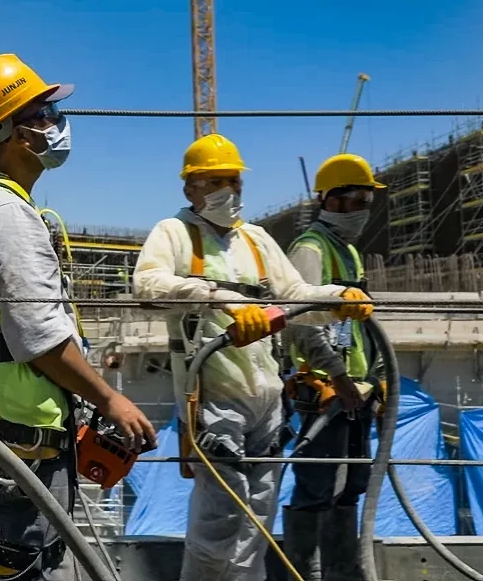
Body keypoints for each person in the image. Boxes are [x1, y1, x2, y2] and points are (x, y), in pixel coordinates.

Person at [0, 53, 158, 580]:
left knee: (30, 559)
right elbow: (38, 337)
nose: (56, 125)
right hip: (27, 424)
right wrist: (109, 398)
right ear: (15, 131)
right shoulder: (6, 215)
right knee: (32, 562)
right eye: (44, 114)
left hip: (18, 414)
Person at [131, 133, 373, 581]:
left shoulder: (257, 240)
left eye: (236, 181)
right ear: (190, 189)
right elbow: (147, 285)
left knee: (257, 520)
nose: (230, 191)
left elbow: (296, 295)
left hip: (266, 399)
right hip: (212, 399)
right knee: (219, 517)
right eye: (216, 181)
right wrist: (218, 299)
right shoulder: (175, 234)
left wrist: (338, 297)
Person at [282, 154, 384, 581]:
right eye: (359, 198)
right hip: (323, 392)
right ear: (335, 200)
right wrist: (339, 380)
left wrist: (374, 379)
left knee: (350, 490)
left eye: (367, 199)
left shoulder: (348, 252)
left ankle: (344, 574)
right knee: (317, 490)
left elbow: (359, 328)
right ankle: (304, 573)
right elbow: (303, 322)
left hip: (355, 391)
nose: (364, 209)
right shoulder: (311, 248)